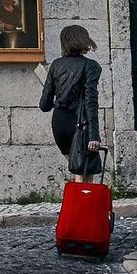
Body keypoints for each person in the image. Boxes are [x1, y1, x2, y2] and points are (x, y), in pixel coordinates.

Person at [38, 25, 103, 182]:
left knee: (78, 168)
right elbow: (91, 102)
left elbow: (44, 105)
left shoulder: (56, 65)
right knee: (84, 173)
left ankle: (81, 204)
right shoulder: (90, 66)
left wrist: (60, 98)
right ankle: (83, 206)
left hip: (59, 123)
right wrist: (94, 135)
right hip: (80, 125)